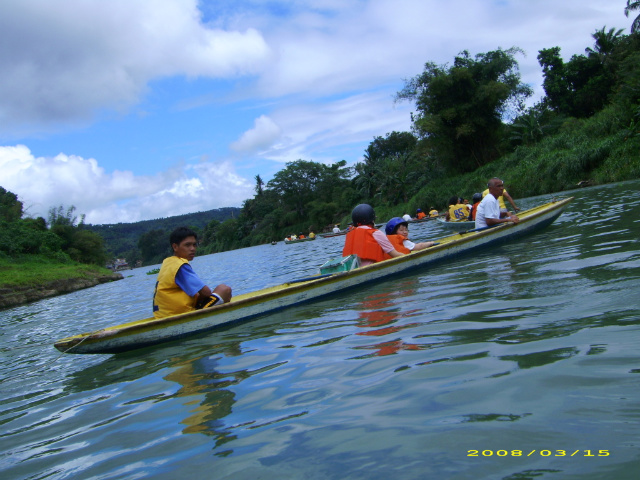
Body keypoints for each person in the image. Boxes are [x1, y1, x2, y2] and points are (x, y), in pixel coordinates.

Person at [153, 227, 232, 319]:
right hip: (178, 316)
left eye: (194, 245)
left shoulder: (168, 262)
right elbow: (206, 292)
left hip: (162, 316)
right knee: (224, 289)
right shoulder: (180, 265)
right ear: (175, 247)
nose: (192, 249)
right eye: (187, 245)